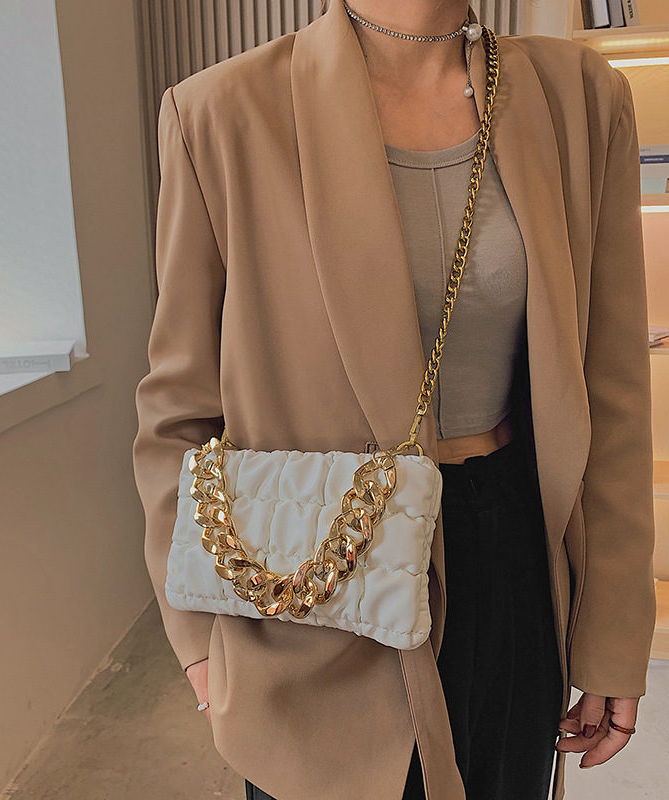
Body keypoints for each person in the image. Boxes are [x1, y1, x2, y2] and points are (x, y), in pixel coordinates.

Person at [132, 1, 656, 799]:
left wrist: (613, 629)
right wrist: (203, 651)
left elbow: (612, 389)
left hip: (512, 550)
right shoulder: (222, 115)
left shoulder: (580, 98)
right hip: (312, 591)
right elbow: (177, 410)